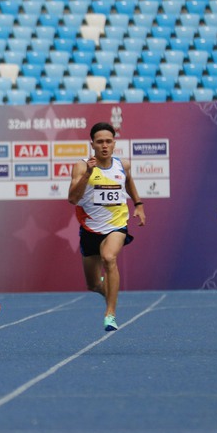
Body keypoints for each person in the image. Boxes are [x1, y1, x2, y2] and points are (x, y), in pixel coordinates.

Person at [68, 122, 146, 331]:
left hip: (117, 224)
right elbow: (72, 199)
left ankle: (110, 313)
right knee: (93, 284)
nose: (104, 146)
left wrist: (138, 204)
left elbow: (129, 182)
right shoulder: (82, 166)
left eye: (108, 142)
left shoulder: (123, 165)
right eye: (100, 142)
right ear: (92, 144)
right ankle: (110, 291)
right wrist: (88, 174)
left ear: (114, 143)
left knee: (109, 258)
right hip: (90, 229)